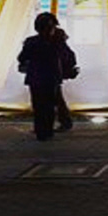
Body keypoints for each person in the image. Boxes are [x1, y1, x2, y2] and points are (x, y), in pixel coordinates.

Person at [18, 12, 79, 140]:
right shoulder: (56, 43)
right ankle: (47, 130)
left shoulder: (32, 41)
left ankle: (41, 130)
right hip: (51, 78)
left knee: (39, 105)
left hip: (36, 77)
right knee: (49, 105)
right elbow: (69, 57)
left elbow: (22, 57)